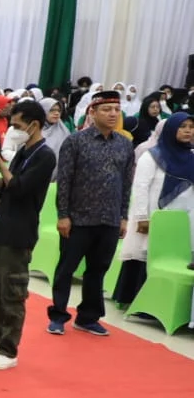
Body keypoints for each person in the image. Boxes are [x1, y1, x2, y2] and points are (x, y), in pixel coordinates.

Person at [0, 99, 56, 370]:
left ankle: (9, 350)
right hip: (3, 226)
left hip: (21, 231)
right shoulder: (22, 152)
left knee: (13, 292)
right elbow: (3, 189)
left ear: (34, 124)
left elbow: (18, 187)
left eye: (16, 124)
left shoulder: (44, 156)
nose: (13, 129)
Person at [48, 90, 134, 337]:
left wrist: (123, 216)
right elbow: (64, 181)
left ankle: (88, 317)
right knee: (66, 269)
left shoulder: (125, 144)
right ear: (92, 112)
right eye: (106, 109)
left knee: (97, 271)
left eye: (116, 110)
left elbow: (126, 183)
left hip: (109, 219)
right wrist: (63, 215)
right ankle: (58, 315)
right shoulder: (75, 141)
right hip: (78, 219)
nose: (113, 114)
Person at [116, 112, 194, 307]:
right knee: (145, 254)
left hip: (180, 218)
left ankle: (160, 304)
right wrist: (142, 217)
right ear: (170, 129)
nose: (188, 131)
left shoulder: (191, 157)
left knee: (171, 257)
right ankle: (136, 302)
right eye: (182, 126)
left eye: (191, 127)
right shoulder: (152, 156)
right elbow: (140, 187)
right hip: (152, 215)